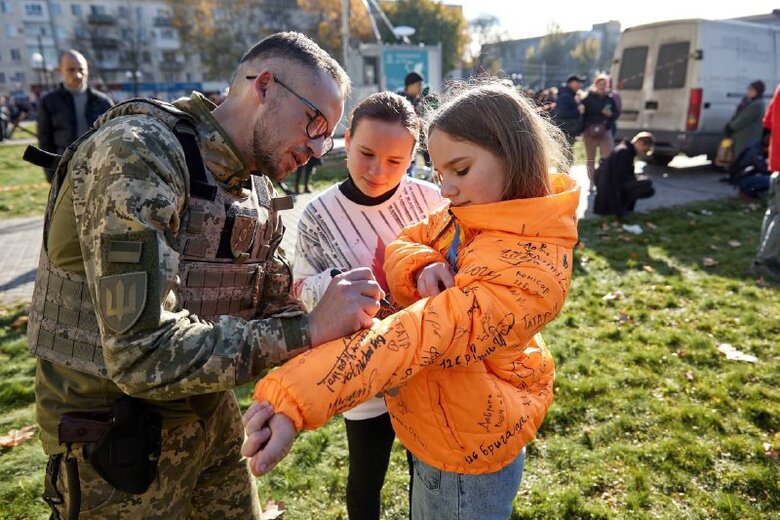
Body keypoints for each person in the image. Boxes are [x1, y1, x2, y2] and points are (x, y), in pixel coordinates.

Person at [27, 32, 383, 519]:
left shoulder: (252, 183)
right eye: (315, 123)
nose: (320, 149)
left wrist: (356, 320)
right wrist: (309, 329)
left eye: (328, 134)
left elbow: (269, 297)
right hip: (117, 436)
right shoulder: (138, 153)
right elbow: (139, 351)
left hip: (206, 415)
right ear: (263, 85)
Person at [244, 80, 580, 519]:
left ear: (512, 154)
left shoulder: (526, 265)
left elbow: (420, 333)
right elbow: (409, 239)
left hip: (465, 445)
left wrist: (295, 394)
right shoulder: (470, 212)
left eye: (460, 169)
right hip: (434, 418)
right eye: (440, 175)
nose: (446, 190)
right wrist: (421, 265)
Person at [292, 91, 443, 519]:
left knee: (427, 472)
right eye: (366, 153)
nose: (378, 171)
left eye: (396, 161)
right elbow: (300, 286)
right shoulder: (319, 214)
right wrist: (334, 287)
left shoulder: (431, 200)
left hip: (426, 365)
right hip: (363, 367)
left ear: (414, 155)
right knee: (365, 475)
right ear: (346, 139)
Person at [36, 50, 114, 182]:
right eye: (71, 70)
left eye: (81, 69)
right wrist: (52, 173)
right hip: (65, 171)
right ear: (61, 71)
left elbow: (113, 137)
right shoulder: (49, 102)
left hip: (100, 169)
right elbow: (45, 140)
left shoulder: (103, 101)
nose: (78, 74)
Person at [748, 83, 780, 280]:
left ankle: (765, 256)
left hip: (776, 161)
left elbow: (767, 122)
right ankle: (763, 260)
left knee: (774, 211)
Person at [593, 132, 656, 217]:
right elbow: (616, 179)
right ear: (640, 143)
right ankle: (623, 209)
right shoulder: (623, 151)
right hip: (609, 187)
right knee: (646, 183)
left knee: (648, 187)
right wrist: (616, 208)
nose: (643, 153)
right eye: (645, 150)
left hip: (613, 183)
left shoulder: (627, 151)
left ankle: (627, 209)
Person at [581, 74, 620, 190]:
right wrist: (586, 126)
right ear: (596, 84)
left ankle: (605, 181)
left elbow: (616, 114)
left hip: (605, 130)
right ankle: (592, 182)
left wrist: (611, 115)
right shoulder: (588, 98)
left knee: (608, 157)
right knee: (590, 158)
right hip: (590, 132)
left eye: (605, 84)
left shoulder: (610, 98)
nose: (602, 86)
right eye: (600, 84)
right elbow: (582, 115)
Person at [724, 80, 766, 168]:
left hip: (747, 136)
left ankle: (737, 175)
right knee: (734, 156)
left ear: (757, 92)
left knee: (741, 157)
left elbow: (744, 119)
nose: (748, 91)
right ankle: (732, 174)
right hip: (740, 135)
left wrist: (731, 127)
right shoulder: (747, 102)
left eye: (751, 90)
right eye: (749, 89)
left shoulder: (757, 104)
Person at [553, 74, 584, 148]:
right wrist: (578, 111)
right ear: (571, 83)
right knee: (565, 154)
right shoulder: (565, 95)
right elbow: (562, 113)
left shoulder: (569, 94)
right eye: (578, 82)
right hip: (566, 130)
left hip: (567, 130)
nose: (580, 85)